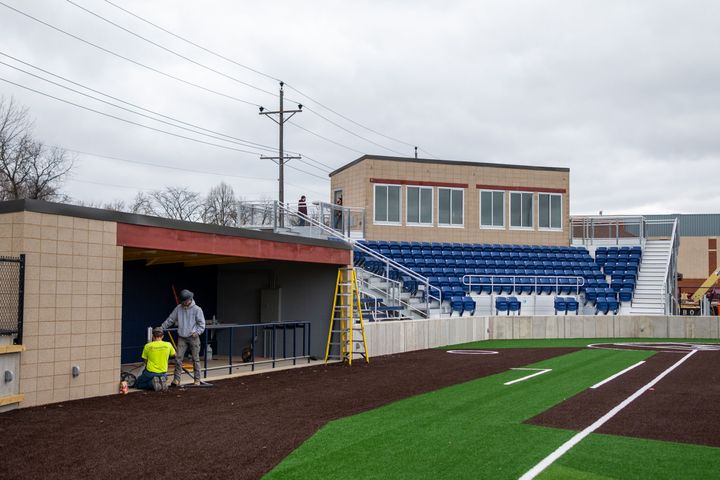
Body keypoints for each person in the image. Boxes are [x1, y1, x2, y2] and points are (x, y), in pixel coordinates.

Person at [162, 289, 206, 387]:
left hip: (193, 337)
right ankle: (176, 380)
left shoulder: (197, 309)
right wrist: (161, 328)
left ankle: (197, 380)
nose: (183, 303)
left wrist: (197, 332)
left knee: (195, 359)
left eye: (185, 301)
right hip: (182, 337)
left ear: (190, 299)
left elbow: (202, 324)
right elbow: (170, 319)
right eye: (182, 301)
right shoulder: (178, 308)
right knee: (178, 359)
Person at [135, 327, 175, 392]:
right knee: (160, 376)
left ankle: (152, 383)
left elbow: (145, 360)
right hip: (163, 372)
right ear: (162, 336)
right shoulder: (168, 345)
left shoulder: (148, 346)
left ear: (153, 336)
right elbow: (174, 354)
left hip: (150, 372)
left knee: (138, 384)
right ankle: (161, 381)